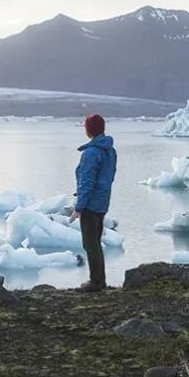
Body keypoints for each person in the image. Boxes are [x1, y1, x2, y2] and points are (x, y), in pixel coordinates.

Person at [68, 114, 117, 292]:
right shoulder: (109, 150)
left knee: (90, 243)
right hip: (102, 201)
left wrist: (79, 207)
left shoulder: (91, 152)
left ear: (88, 130)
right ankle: (99, 280)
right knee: (95, 241)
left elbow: (87, 181)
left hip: (91, 203)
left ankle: (96, 281)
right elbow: (109, 176)